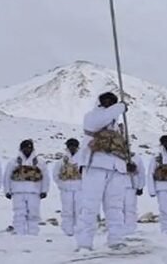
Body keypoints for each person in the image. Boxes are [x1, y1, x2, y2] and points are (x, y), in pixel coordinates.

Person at [74, 92, 134, 251]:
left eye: (112, 101)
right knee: (90, 206)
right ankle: (84, 243)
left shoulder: (119, 126)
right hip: (96, 165)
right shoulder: (92, 117)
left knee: (115, 207)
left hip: (116, 168)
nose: (109, 103)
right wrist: (120, 107)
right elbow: (101, 120)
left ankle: (116, 240)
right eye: (106, 100)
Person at [4, 139, 50, 236]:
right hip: (17, 191)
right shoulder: (13, 162)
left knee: (33, 213)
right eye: (25, 148)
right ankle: (19, 233)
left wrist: (44, 190)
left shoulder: (39, 162)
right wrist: (7, 191)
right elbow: (7, 176)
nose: (27, 150)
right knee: (19, 213)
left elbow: (45, 177)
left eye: (29, 148)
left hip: (34, 191)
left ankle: (33, 233)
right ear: (21, 149)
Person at [52, 138, 82, 236]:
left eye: (74, 146)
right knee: (67, 211)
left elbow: (89, 174)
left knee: (79, 210)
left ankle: (79, 230)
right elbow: (55, 174)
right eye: (70, 146)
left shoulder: (82, 159)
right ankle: (67, 231)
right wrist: (62, 185)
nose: (72, 148)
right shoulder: (62, 161)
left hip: (79, 188)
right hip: (66, 189)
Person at [121, 150, 146, 236]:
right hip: (117, 186)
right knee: (118, 208)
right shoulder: (114, 157)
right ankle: (119, 228)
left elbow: (141, 172)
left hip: (131, 185)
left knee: (130, 208)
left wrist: (140, 186)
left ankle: (130, 229)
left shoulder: (136, 157)